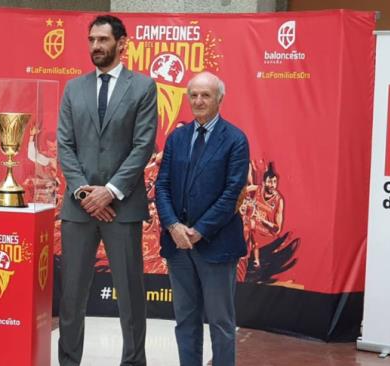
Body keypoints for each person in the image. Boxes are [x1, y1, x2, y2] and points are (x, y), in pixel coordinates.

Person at [56, 14, 157, 366]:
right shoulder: (74, 88)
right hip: (78, 209)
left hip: (122, 208)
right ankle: (69, 361)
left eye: (103, 40)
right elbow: (64, 146)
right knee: (71, 297)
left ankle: (133, 362)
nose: (96, 46)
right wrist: (85, 194)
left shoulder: (143, 88)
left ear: (121, 43)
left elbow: (143, 146)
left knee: (130, 295)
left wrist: (110, 192)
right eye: (91, 40)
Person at [154, 71, 249, 366]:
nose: (198, 101)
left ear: (219, 99)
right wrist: (173, 226)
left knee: (221, 323)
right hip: (178, 245)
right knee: (185, 320)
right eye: (193, 95)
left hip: (216, 246)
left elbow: (232, 193)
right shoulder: (177, 137)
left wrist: (198, 231)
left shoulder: (235, 139)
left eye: (205, 95)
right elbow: (162, 185)